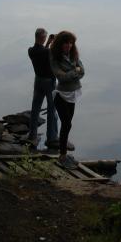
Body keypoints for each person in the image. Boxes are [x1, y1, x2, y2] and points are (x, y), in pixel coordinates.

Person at [49, 30, 84, 169]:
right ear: (60, 44)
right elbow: (60, 77)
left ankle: (63, 154)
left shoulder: (73, 55)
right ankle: (62, 155)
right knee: (67, 124)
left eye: (71, 43)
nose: (69, 46)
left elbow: (83, 71)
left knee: (67, 124)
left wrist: (73, 72)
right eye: (66, 43)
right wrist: (75, 72)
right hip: (61, 95)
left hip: (73, 93)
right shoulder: (54, 57)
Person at [27, 28, 58, 149]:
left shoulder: (31, 51)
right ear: (43, 37)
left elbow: (43, 51)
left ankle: (32, 134)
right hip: (49, 83)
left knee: (35, 108)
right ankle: (52, 137)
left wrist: (48, 44)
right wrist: (53, 43)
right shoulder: (47, 52)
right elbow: (50, 54)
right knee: (52, 109)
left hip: (38, 81)